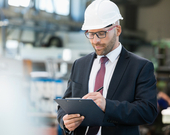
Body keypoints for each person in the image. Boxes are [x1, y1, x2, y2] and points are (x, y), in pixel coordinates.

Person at [57, 0, 158, 135]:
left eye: (101, 33)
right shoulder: (80, 64)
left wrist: (107, 106)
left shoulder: (140, 67)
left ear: (117, 30)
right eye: (91, 34)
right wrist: (65, 120)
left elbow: (148, 112)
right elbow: (65, 104)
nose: (95, 40)